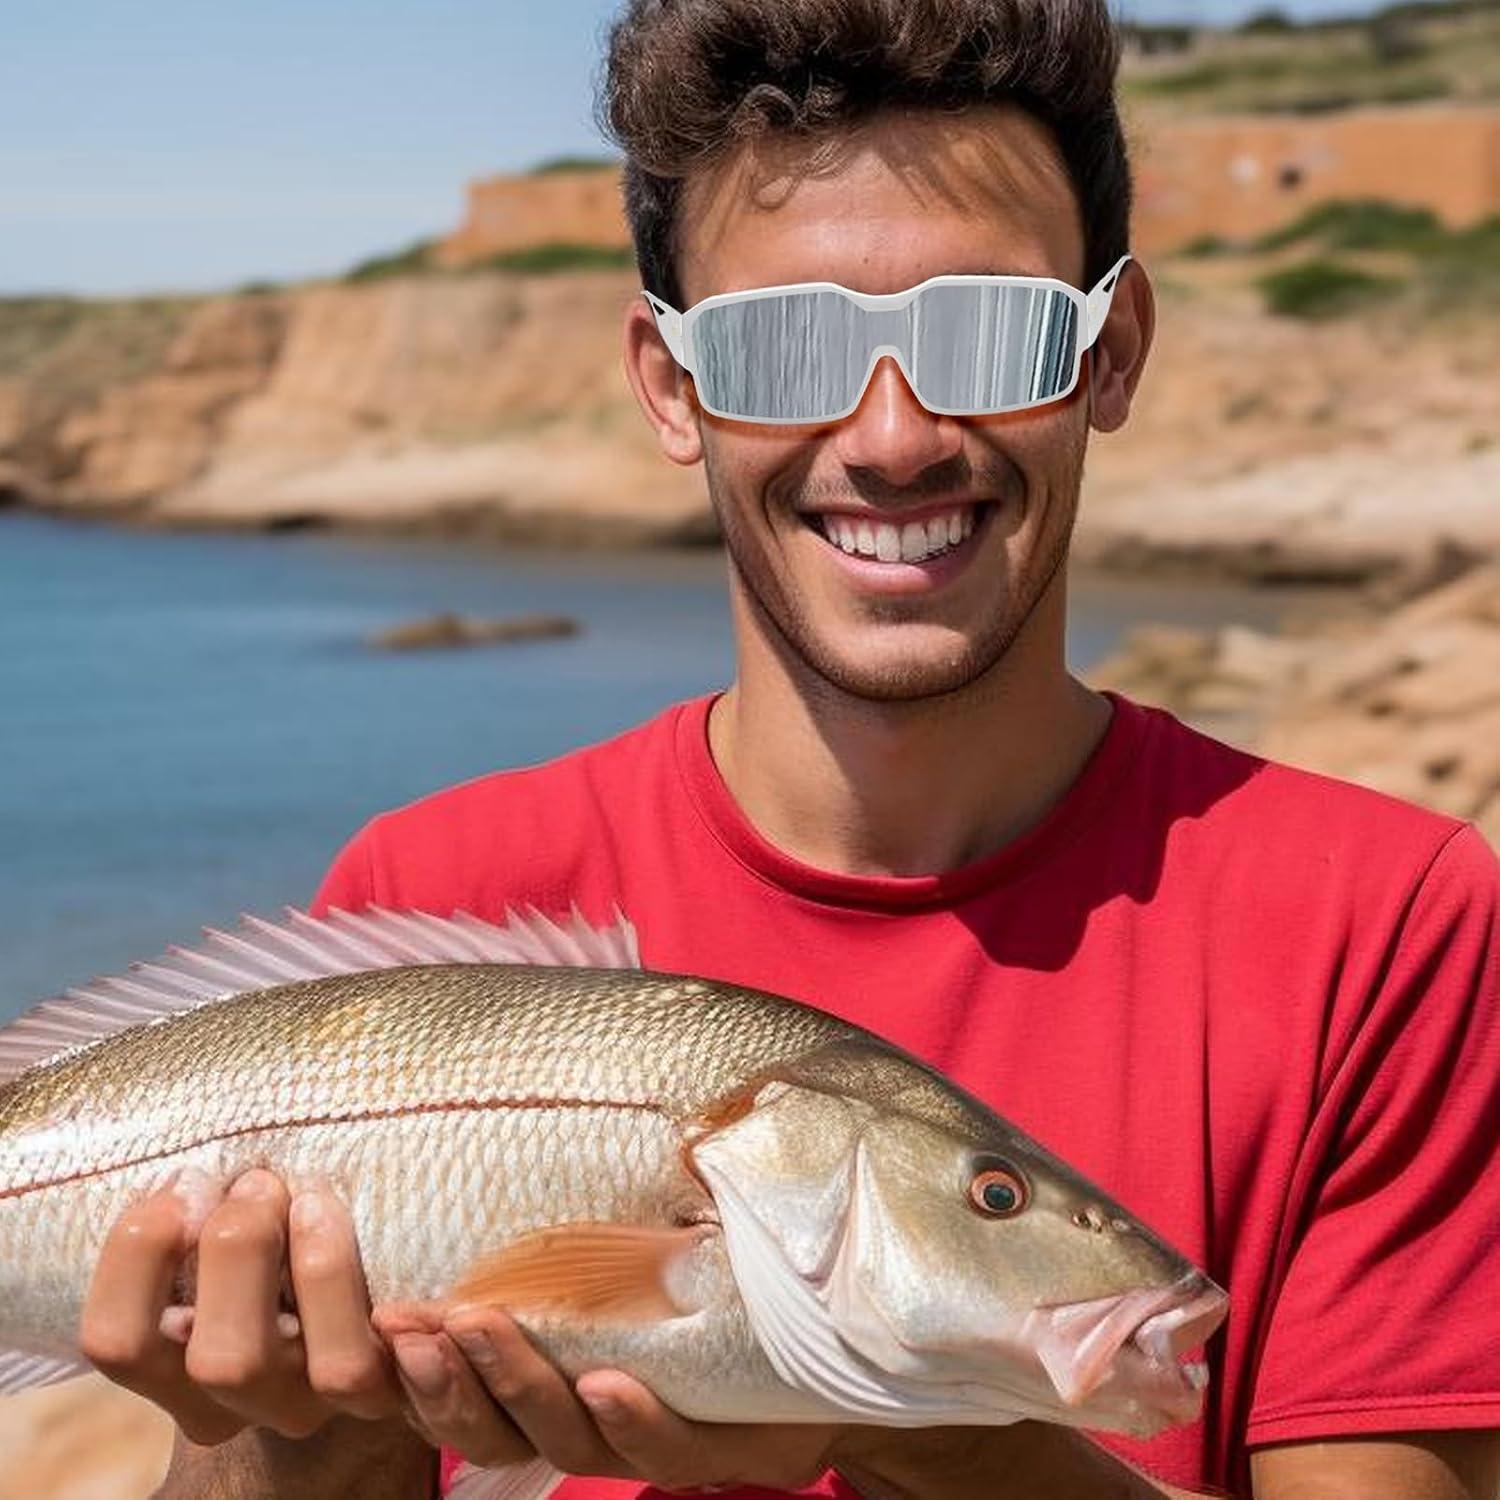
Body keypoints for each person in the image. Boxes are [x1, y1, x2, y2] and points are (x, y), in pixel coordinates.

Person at [78, 0, 1500, 1496]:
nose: (893, 438)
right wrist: (309, 1428)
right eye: (784, 347)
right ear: (671, 387)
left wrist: (923, 1435)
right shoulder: (441, 888)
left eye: (990, 331)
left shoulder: (1381, 921)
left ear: (1114, 353)